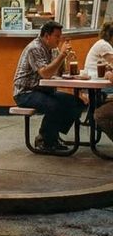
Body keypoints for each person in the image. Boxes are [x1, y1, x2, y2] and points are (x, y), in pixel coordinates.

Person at [12, 20, 85, 153]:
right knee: (55, 106)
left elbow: (60, 71)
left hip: (44, 91)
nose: (59, 40)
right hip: (26, 93)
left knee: (76, 102)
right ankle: (45, 139)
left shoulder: (52, 50)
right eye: (57, 36)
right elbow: (45, 73)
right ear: (46, 36)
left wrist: (68, 61)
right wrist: (62, 54)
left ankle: (52, 134)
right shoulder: (34, 48)